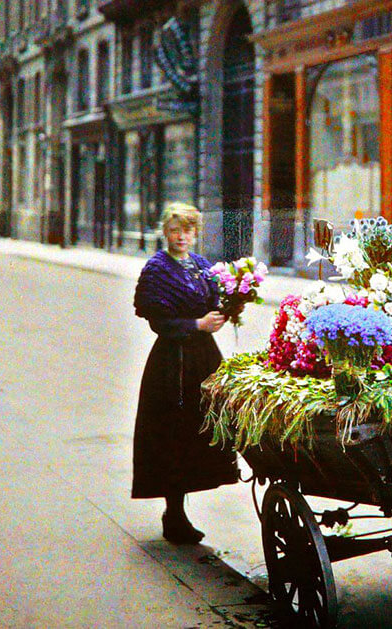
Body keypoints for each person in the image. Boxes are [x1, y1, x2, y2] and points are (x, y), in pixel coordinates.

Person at [132, 202, 238, 544]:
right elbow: (158, 321)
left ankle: (181, 512)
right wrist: (197, 324)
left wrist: (224, 314)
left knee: (202, 427)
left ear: (195, 233)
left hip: (204, 358)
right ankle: (173, 514)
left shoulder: (201, 266)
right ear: (166, 232)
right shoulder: (157, 270)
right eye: (175, 230)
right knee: (174, 433)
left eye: (188, 230)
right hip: (173, 362)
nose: (181, 237)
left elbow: (215, 300)